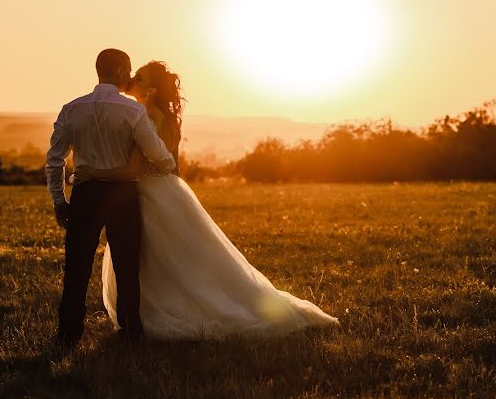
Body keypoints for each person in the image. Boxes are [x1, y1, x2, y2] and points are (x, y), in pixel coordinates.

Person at [74, 60, 339, 339]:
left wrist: (94, 171)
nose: (132, 79)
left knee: (153, 260)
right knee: (174, 260)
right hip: (169, 191)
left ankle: (162, 311)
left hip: (147, 194)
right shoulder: (163, 114)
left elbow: (134, 167)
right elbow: (171, 164)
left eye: (138, 77)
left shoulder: (146, 114)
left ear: (150, 90)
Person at [45, 49, 176, 350]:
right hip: (123, 195)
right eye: (127, 72)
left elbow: (54, 161)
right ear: (119, 72)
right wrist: (161, 161)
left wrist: (58, 200)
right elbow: (160, 156)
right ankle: (131, 333)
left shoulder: (71, 109)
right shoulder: (132, 111)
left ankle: (68, 334)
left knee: (77, 266)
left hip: (86, 193)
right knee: (127, 266)